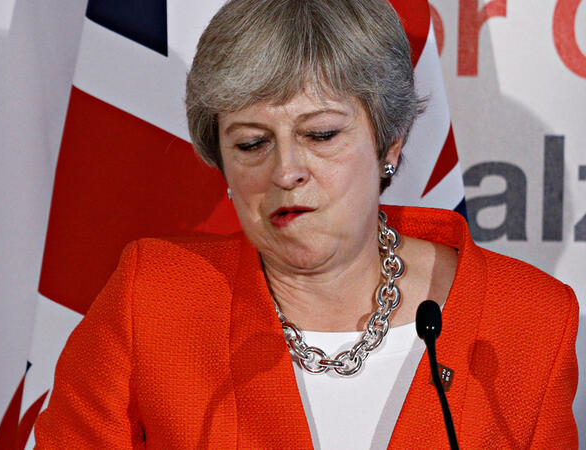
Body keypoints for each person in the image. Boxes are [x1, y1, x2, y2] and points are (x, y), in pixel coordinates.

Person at [34, 0, 579, 447]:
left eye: (320, 135)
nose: (285, 171)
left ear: (389, 144)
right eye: (252, 143)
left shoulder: (529, 320)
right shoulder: (153, 301)